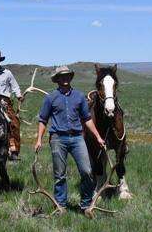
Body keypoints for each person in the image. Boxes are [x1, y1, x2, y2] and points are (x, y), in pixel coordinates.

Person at [34, 66, 107, 217]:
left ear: (70, 78)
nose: (65, 78)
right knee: (60, 174)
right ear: (58, 79)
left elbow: (87, 119)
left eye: (67, 76)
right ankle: (61, 206)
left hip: (77, 138)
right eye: (62, 76)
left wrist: (98, 137)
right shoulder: (50, 98)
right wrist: (39, 139)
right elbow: (43, 120)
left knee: (87, 171)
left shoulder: (79, 97)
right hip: (58, 138)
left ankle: (86, 205)